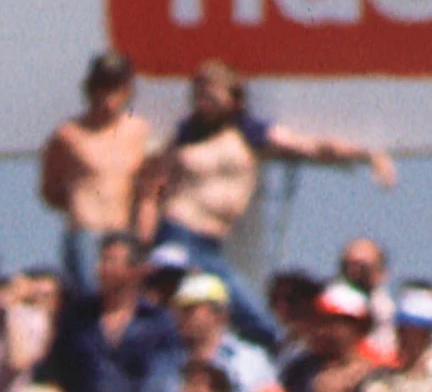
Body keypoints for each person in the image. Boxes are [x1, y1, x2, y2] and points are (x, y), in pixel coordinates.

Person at [136, 60, 393, 347]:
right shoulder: (185, 134)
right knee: (175, 311)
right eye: (199, 95)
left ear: (234, 98)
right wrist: (145, 238)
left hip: (212, 243)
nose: (204, 103)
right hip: (179, 232)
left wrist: (367, 154)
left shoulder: (251, 133)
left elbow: (313, 147)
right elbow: (151, 185)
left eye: (212, 95)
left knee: (252, 318)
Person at [38, 52, 154, 286]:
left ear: (126, 89)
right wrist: (80, 200)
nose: (107, 95)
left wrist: (144, 237)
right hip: (86, 232)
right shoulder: (68, 135)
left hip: (123, 234)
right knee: (88, 298)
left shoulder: (139, 132)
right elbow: (49, 190)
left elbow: (148, 191)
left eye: (114, 87)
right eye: (101, 86)